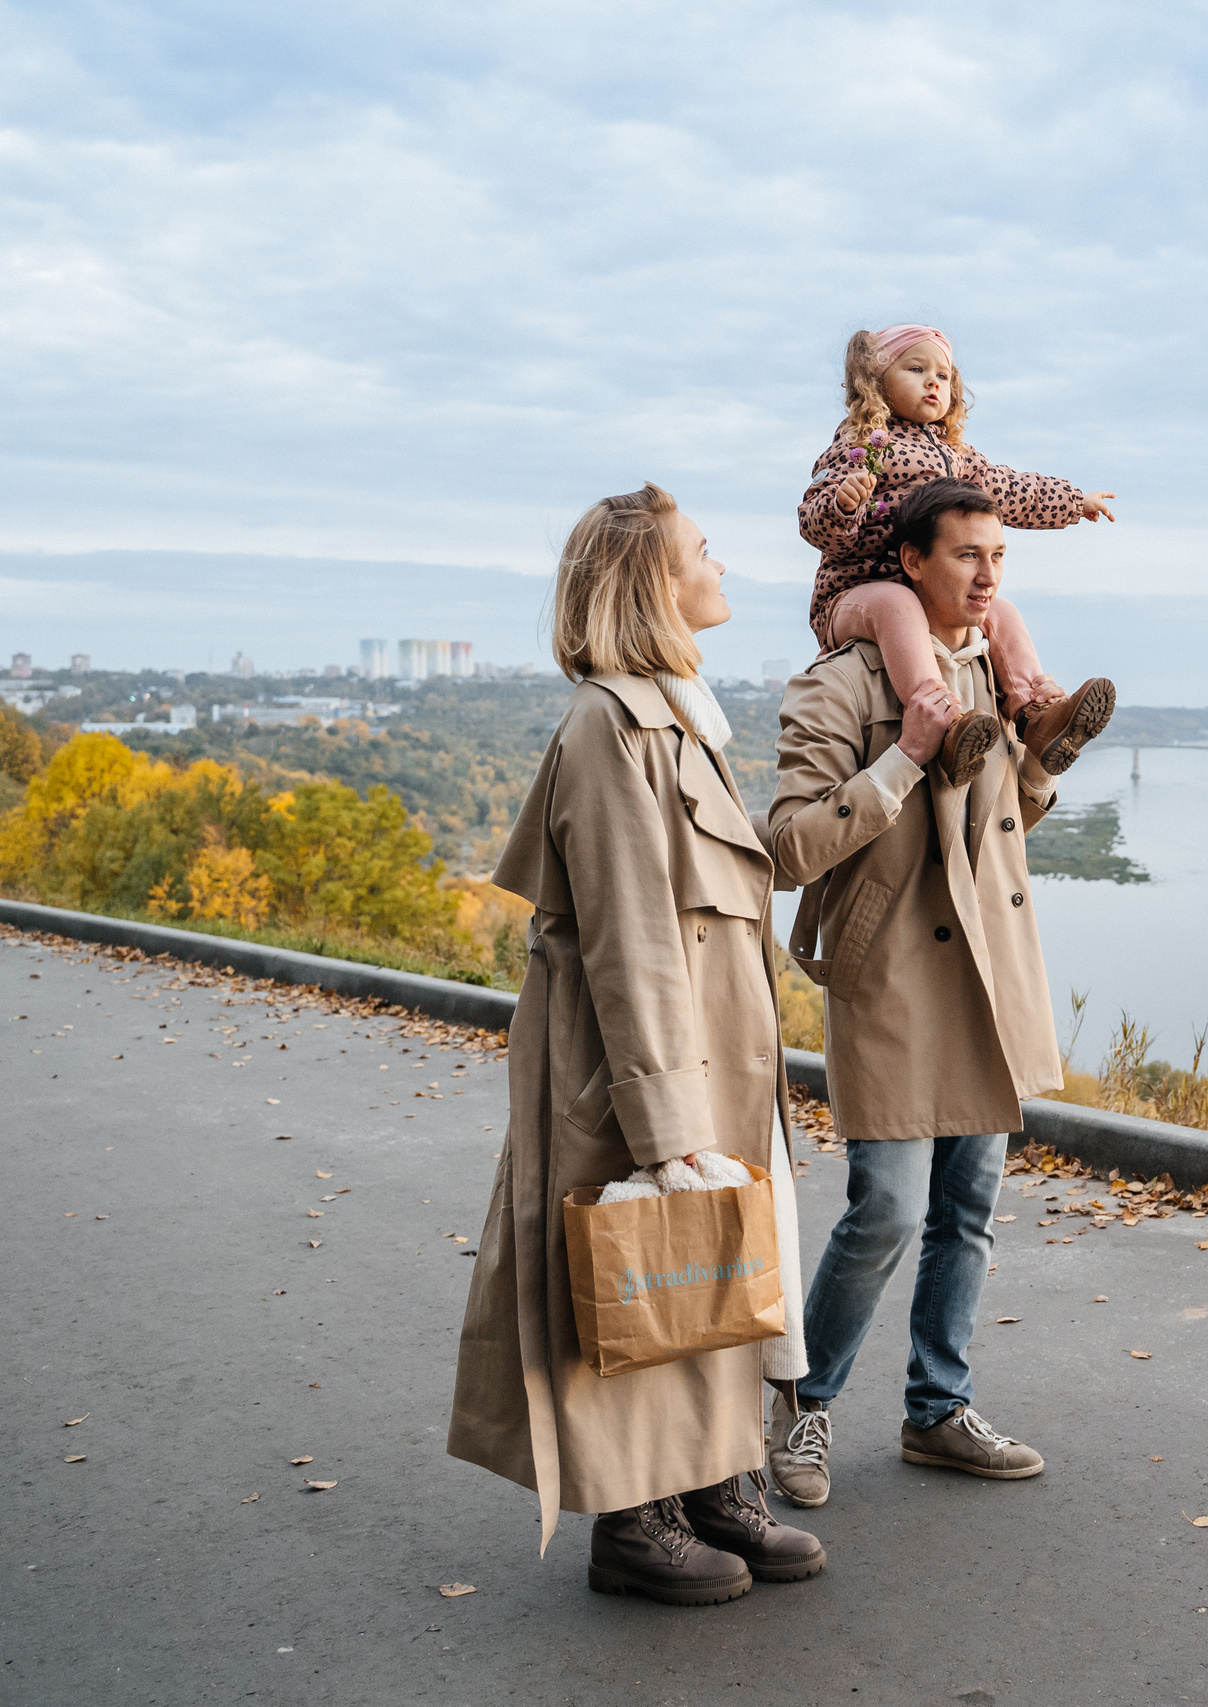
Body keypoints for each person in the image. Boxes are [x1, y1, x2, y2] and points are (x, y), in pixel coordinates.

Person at [447, 482, 825, 1606]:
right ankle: (633, 1519)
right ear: (655, 584)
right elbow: (628, 938)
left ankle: (712, 1482)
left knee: (704, 1280)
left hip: (711, 1063)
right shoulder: (610, 729)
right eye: (705, 552)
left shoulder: (675, 716)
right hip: (640, 1073)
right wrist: (667, 1128)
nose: (723, 568)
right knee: (634, 1287)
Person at [760, 477, 1067, 1506]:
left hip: (984, 969)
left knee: (968, 1204)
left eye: (999, 558)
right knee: (885, 1209)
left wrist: (1040, 758)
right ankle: (804, 1404)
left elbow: (1009, 821)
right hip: (889, 973)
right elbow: (788, 847)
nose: (988, 577)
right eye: (967, 556)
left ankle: (937, 1410)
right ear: (910, 563)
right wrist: (905, 757)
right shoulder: (839, 685)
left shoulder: (987, 671)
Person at [798, 322, 1118, 786]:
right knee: (897, 603)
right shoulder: (863, 443)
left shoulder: (955, 455)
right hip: (857, 594)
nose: (934, 382)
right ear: (876, 380)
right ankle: (943, 724)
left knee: (1001, 612)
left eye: (944, 376)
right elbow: (815, 522)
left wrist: (1073, 501)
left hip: (931, 594)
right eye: (916, 368)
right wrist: (844, 503)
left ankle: (1037, 716)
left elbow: (1010, 490)